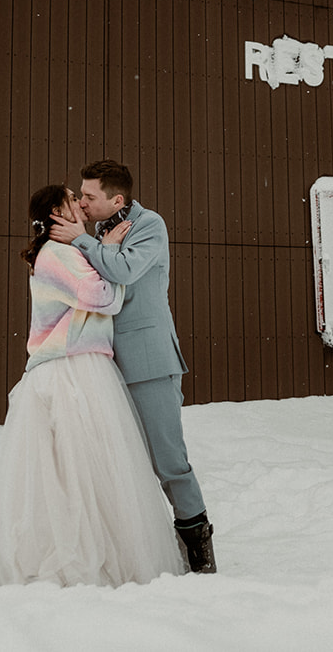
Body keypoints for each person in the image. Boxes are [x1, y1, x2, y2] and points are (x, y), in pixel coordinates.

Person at [0, 185, 185, 587]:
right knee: (83, 468)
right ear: (59, 213)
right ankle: (81, 555)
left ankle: (95, 548)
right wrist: (110, 255)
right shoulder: (58, 254)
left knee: (86, 469)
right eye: (72, 199)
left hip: (79, 364)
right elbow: (103, 298)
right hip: (68, 369)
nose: (81, 204)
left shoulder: (70, 251)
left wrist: (98, 249)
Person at [49, 159, 217, 574]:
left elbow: (122, 270)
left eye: (90, 197)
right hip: (105, 364)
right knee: (125, 462)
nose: (83, 204)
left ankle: (200, 551)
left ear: (117, 199)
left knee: (168, 462)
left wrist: (84, 242)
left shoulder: (149, 225)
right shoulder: (99, 231)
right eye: (81, 195)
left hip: (148, 360)